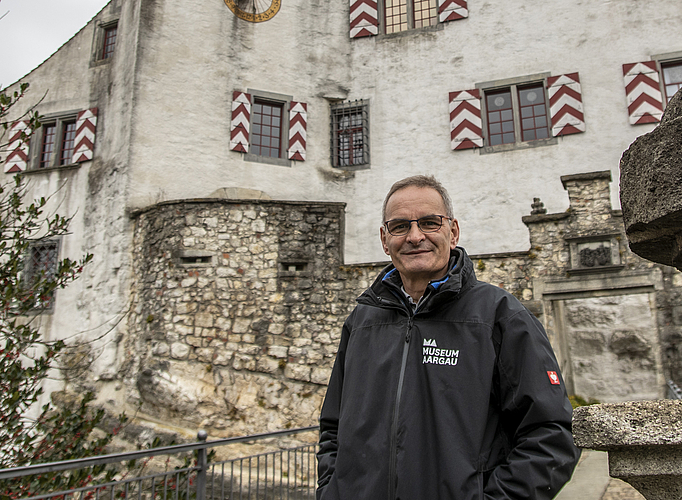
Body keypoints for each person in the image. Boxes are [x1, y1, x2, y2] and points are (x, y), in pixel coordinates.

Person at [316, 175, 580, 499]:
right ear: (385, 240)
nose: (415, 236)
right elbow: (333, 427)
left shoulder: (498, 317)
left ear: (452, 232)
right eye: (399, 227)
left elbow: (551, 434)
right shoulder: (361, 322)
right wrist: (330, 491)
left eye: (429, 222)